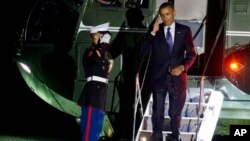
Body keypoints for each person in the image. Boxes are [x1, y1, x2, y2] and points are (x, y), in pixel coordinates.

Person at [140, 2, 197, 141]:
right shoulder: (155, 31)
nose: (165, 17)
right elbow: (143, 50)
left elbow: (192, 54)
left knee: (174, 112)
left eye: (168, 14)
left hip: (177, 79)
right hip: (159, 78)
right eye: (162, 15)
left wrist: (183, 67)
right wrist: (152, 32)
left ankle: (175, 137)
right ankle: (157, 136)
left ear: (174, 13)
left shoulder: (184, 30)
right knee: (157, 111)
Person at [77, 22, 113, 141]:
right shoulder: (91, 51)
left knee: (96, 126)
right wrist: (104, 45)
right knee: (90, 129)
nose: (105, 38)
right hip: (93, 93)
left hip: (100, 92)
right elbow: (96, 58)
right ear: (97, 36)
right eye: (103, 35)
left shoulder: (103, 53)